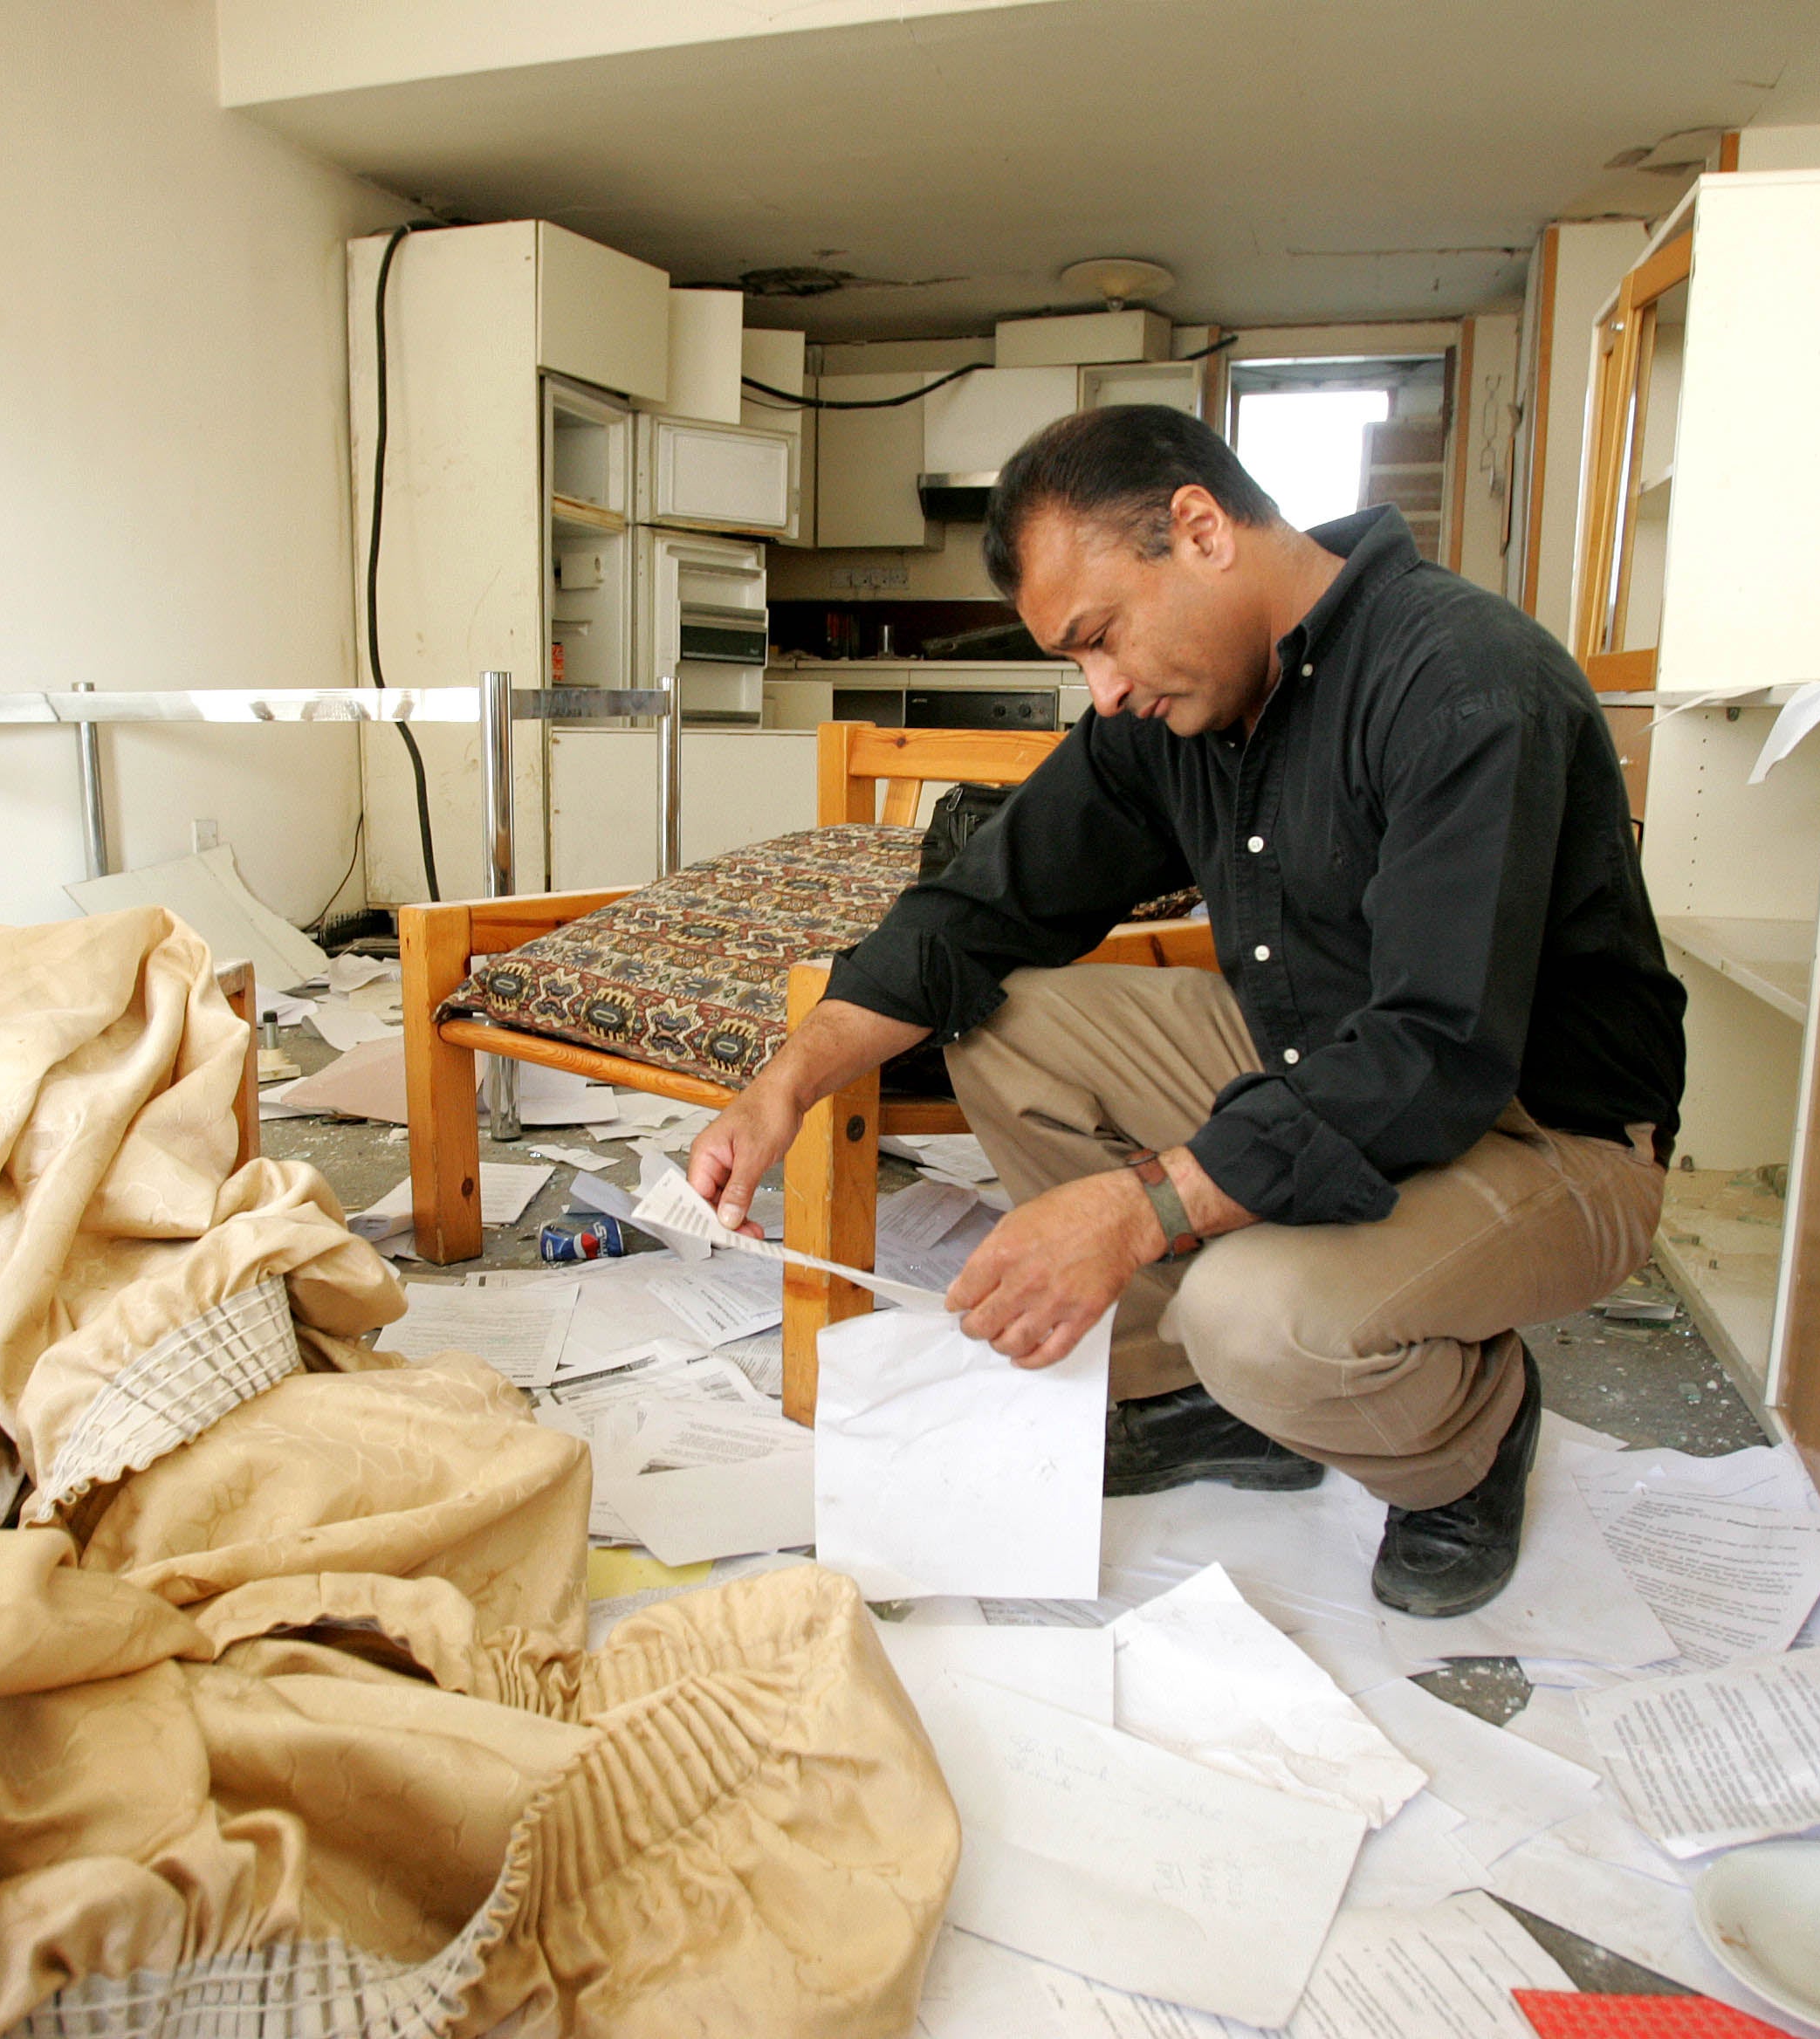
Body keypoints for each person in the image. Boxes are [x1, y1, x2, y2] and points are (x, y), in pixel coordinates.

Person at [685, 405, 1686, 1617]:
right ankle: (1201, 1397)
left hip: (1542, 1127)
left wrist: (1142, 1205)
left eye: (1102, 637)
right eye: (1076, 660)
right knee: (1002, 1025)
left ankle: (1469, 1437)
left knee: (1252, 1312)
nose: (1102, 691)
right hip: (1323, 1061)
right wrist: (789, 1076)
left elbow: (1436, 1053)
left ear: (1201, 531)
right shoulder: (1172, 713)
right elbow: (977, 911)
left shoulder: (1465, 681)